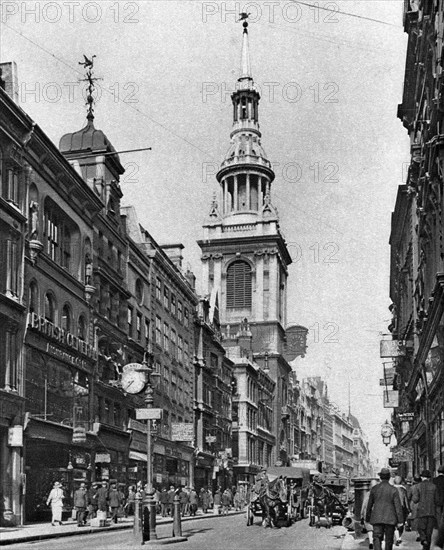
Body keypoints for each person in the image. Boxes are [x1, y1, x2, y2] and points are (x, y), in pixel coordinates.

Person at [365, 467, 403, 550]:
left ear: (380, 477)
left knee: (377, 538)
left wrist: (367, 517)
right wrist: (400, 520)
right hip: (390, 518)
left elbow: (369, 505)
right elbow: (398, 506)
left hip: (377, 517)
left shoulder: (374, 489)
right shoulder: (393, 489)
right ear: (389, 477)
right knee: (389, 540)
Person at [413, 469, 439, 550]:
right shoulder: (434, 486)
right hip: (431, 512)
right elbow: (437, 500)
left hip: (421, 511)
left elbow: (415, 499)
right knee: (429, 532)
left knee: (421, 528)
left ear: (422, 477)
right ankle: (426, 547)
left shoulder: (418, 486)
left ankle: (423, 538)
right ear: (429, 478)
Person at [393, 476, 410, 546]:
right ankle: (399, 537)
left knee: (394, 524)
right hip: (402, 508)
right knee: (401, 524)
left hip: (393, 508)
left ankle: (397, 538)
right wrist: (408, 509)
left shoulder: (392, 489)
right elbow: (406, 500)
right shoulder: (403, 490)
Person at [361, 479, 378, 549]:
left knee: (369, 529)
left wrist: (362, 514)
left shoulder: (368, 494)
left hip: (368, 513)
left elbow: (364, 504)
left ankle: (371, 542)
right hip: (377, 513)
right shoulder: (380, 493)